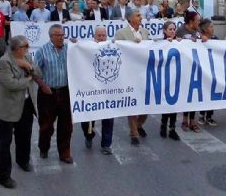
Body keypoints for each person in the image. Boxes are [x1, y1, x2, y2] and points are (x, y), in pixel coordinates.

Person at [0, 35, 42, 189]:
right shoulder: (4, 61)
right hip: (8, 109)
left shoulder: (27, 57)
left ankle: (23, 161)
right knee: (5, 143)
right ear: (15, 49)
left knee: (25, 136)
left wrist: (29, 67)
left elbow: (39, 74)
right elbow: (11, 84)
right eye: (23, 48)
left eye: (27, 47)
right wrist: (28, 80)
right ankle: (4, 176)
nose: (26, 50)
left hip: (26, 105)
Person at [34, 24, 74, 164]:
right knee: (46, 125)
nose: (61, 38)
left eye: (63, 35)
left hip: (65, 91)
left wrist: (77, 44)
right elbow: (35, 72)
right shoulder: (42, 51)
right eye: (58, 35)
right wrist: (42, 85)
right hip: (47, 93)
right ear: (51, 37)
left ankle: (64, 152)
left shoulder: (69, 49)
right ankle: (43, 147)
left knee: (66, 125)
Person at [115, 9, 150, 145]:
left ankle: (139, 124)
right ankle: (133, 132)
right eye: (138, 15)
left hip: (144, 72)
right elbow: (118, 51)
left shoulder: (145, 32)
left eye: (141, 15)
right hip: (129, 73)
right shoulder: (121, 33)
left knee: (146, 104)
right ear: (130, 19)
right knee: (132, 103)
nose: (141, 17)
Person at [80, 26, 115, 154]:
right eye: (99, 35)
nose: (101, 38)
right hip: (91, 89)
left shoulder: (112, 46)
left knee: (108, 117)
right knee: (88, 119)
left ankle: (106, 144)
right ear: (94, 36)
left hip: (107, 91)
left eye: (103, 35)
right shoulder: (88, 47)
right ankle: (88, 135)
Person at [158, 21, 181, 141]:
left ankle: (172, 128)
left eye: (174, 29)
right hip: (165, 76)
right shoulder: (161, 43)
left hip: (176, 76)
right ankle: (163, 125)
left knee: (175, 104)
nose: (172, 31)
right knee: (166, 103)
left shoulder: (179, 42)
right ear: (165, 31)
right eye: (170, 29)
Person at [197, 18, 217, 126]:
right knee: (203, 92)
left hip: (213, 70)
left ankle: (209, 116)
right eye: (211, 26)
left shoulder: (215, 39)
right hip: (202, 70)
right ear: (205, 29)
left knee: (212, 92)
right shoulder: (199, 39)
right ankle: (201, 115)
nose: (213, 28)